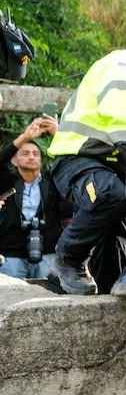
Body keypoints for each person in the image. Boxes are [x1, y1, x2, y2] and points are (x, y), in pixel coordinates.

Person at [46, 26, 126, 295]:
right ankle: (68, 259)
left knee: (121, 247)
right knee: (111, 195)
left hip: (111, 166)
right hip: (79, 158)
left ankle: (112, 285)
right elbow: (123, 126)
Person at [0, 117, 64, 279]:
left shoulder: (53, 183)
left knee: (51, 296)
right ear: (15, 160)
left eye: (36, 154)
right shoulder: (7, 182)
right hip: (12, 253)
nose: (31, 157)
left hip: (48, 252)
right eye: (26, 153)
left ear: (41, 161)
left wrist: (59, 134)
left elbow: (69, 162)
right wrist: (25, 137)